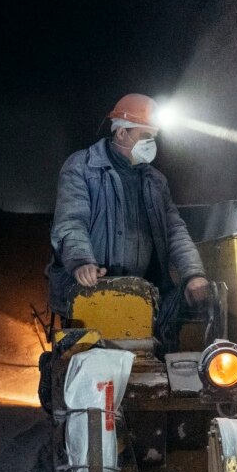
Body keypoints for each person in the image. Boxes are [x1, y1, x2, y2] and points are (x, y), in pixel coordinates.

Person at [47, 93, 209, 345]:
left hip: (144, 297)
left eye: (153, 138)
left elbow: (175, 230)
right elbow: (71, 222)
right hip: (92, 293)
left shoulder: (155, 181)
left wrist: (192, 274)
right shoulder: (83, 167)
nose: (151, 144)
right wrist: (82, 263)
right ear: (121, 133)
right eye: (145, 137)